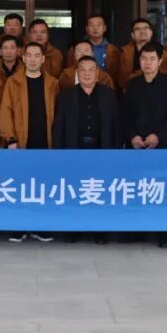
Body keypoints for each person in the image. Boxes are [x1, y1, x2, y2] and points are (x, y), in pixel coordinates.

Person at [53, 56, 120, 245]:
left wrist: (116, 151)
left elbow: (116, 125)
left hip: (101, 149)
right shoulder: (67, 95)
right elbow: (59, 126)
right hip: (74, 149)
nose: (87, 74)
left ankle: (99, 231)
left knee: (98, 191)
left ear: (97, 74)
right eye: (83, 70)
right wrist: (59, 152)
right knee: (75, 190)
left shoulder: (108, 94)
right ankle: (73, 229)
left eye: (91, 70)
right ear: (77, 73)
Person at [0, 41, 59, 243]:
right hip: (20, 143)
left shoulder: (52, 83)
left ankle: (41, 226)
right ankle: (19, 227)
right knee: (19, 186)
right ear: (23, 58)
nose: (33, 59)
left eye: (37, 55)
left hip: (45, 142)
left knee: (43, 186)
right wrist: (10, 138)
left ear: (43, 59)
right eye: (29, 55)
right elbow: (5, 111)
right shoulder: (13, 82)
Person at [123, 41, 167, 248]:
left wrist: (159, 135)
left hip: (161, 145)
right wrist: (132, 136)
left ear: (160, 60)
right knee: (138, 188)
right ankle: (137, 230)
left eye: (152, 59)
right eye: (143, 58)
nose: (147, 63)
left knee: (161, 189)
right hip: (137, 145)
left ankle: (163, 233)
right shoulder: (132, 84)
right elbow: (125, 114)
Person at [68, 14, 120, 81]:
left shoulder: (113, 50)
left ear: (104, 28)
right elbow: (69, 70)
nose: (95, 28)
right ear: (87, 29)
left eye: (99, 25)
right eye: (92, 25)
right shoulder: (75, 48)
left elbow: (116, 74)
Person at [117, 18, 154, 90]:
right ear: (133, 35)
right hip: (131, 90)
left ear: (151, 33)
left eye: (145, 28)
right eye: (138, 29)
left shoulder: (162, 52)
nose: (142, 31)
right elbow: (122, 79)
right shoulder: (124, 52)